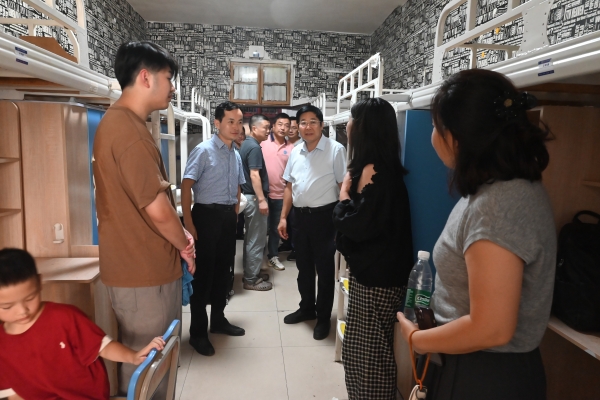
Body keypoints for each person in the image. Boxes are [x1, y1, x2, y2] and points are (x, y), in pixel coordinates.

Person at [397, 69, 555, 400]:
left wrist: (416, 339)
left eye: (436, 127)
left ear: (458, 137)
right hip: (479, 365)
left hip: (484, 374)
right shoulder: (503, 190)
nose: (432, 136)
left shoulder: (497, 206)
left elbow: (491, 328)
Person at [92, 41, 195, 394]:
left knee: (149, 361)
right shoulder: (128, 133)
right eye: (169, 78)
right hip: (143, 272)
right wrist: (185, 245)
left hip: (138, 269)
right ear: (146, 78)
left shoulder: (123, 124)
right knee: (150, 365)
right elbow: (159, 210)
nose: (173, 88)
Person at [0, 248, 166, 400]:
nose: (22, 311)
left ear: (38, 282)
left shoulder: (64, 317)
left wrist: (133, 356)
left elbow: (102, 346)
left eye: (29, 298)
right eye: (7, 306)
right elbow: (13, 392)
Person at [333, 98, 414, 399]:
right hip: (377, 276)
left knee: (369, 359)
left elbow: (356, 225)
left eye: (352, 119)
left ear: (364, 128)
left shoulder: (375, 172)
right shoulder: (381, 169)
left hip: (377, 281)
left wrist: (343, 195)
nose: (347, 125)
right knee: (361, 352)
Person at [181, 101, 246, 357]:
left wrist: (235, 211)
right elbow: (186, 186)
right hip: (205, 217)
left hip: (227, 218)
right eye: (230, 121)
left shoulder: (235, 153)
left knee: (223, 272)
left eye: (239, 122)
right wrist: (189, 224)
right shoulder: (203, 150)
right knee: (203, 275)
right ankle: (198, 333)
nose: (236, 127)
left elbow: (238, 185)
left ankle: (218, 320)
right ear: (217, 123)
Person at [278, 105, 347, 340]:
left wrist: (343, 222)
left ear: (321, 125)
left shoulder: (335, 150)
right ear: (298, 126)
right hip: (299, 218)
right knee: (304, 267)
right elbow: (289, 187)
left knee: (325, 270)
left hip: (325, 218)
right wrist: (283, 217)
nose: (307, 127)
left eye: (313, 122)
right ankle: (307, 308)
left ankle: (323, 318)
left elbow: (343, 187)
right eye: (303, 122)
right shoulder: (295, 151)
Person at [239, 114, 273, 290]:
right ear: (254, 128)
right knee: (256, 240)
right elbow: (254, 175)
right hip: (254, 197)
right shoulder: (253, 147)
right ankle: (251, 280)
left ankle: (251, 273)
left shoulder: (246, 144)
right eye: (266, 127)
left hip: (248, 197)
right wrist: (262, 200)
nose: (269, 131)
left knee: (251, 238)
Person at [261, 113, 294, 270]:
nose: (283, 128)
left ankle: (273, 256)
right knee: (260, 229)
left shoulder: (292, 148)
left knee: (276, 228)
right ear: (273, 126)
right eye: (280, 124)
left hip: (281, 195)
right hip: (262, 195)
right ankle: (257, 258)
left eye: (287, 125)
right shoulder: (262, 143)